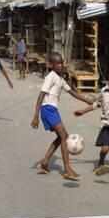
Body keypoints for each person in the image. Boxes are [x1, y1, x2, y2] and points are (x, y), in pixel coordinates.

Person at [31, 52, 94, 181]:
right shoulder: (51, 77)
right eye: (57, 63)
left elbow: (71, 92)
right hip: (48, 109)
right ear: (51, 65)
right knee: (64, 137)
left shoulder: (60, 79)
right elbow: (41, 95)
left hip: (52, 109)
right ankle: (67, 170)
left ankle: (44, 162)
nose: (60, 65)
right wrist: (36, 116)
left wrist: (86, 100)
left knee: (61, 138)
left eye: (61, 63)